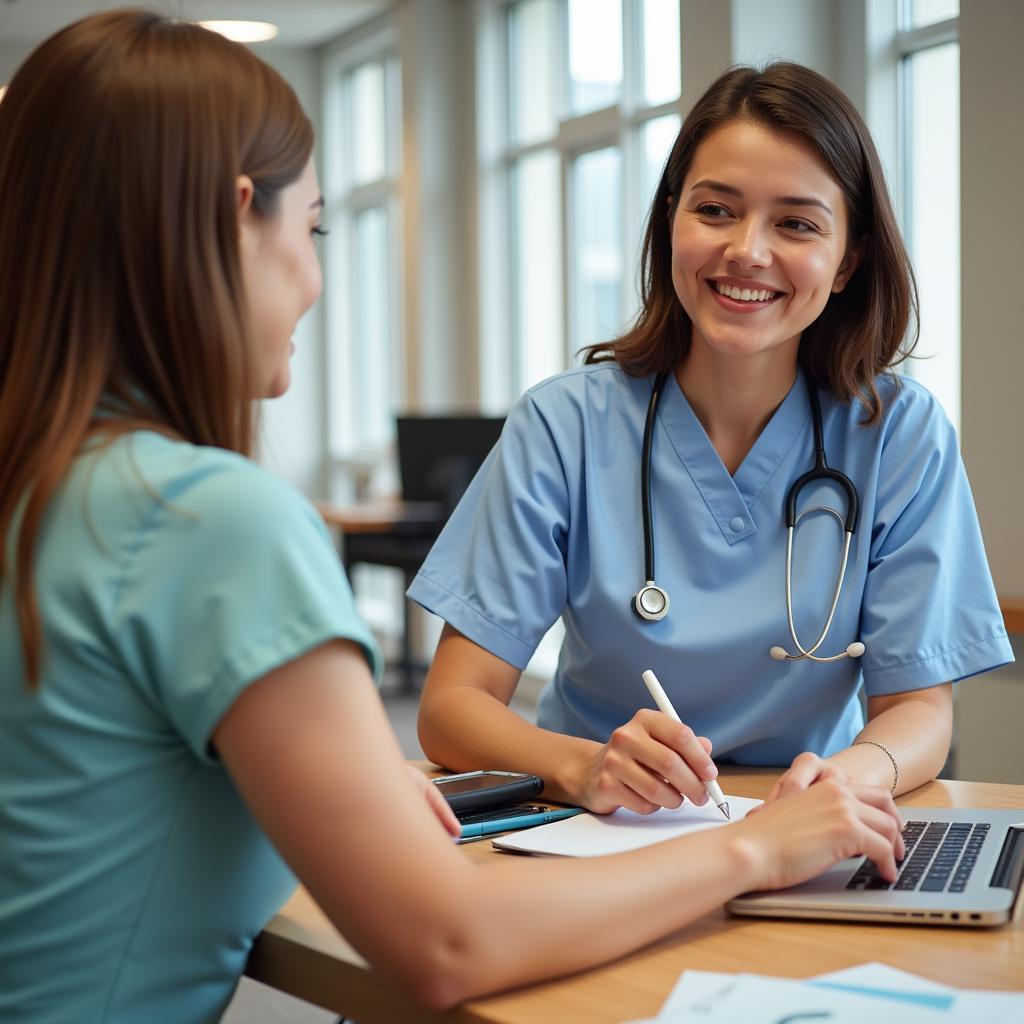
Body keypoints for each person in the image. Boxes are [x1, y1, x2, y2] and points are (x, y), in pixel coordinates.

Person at [0, 19, 911, 1022]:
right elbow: (447, 941)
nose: (312, 279)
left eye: (796, 222)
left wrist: (353, 774)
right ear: (233, 219)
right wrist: (753, 845)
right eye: (313, 230)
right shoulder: (213, 523)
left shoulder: (39, 488)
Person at [410, 62, 1013, 817]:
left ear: (848, 258)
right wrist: (587, 765)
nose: (747, 252)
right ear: (672, 221)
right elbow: (452, 704)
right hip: (601, 830)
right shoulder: (563, 427)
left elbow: (920, 710)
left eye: (796, 223)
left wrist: (848, 778)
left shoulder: (897, 433)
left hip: (806, 824)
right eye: (716, 210)